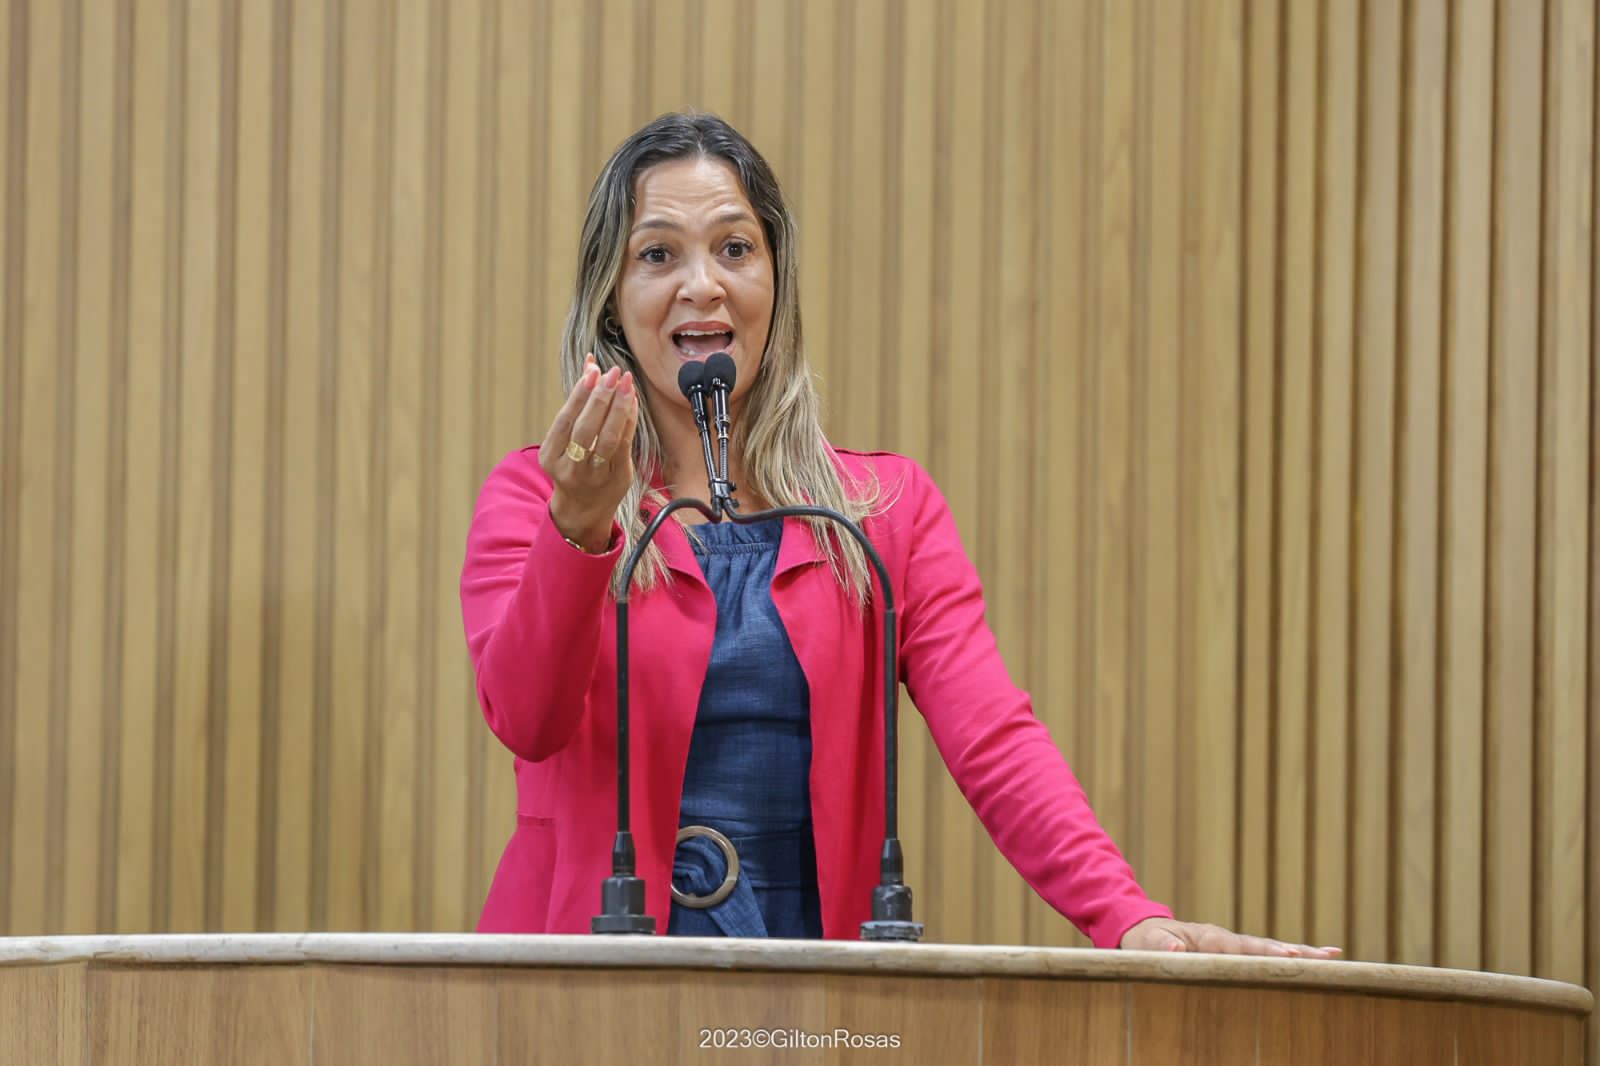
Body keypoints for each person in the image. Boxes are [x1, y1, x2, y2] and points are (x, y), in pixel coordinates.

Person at [460, 111, 1339, 957]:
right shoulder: (535, 496)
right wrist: (579, 527)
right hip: (588, 972)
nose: (704, 284)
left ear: (776, 281)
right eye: (658, 254)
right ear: (612, 300)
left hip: (813, 977)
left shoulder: (883, 511)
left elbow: (993, 738)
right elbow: (527, 720)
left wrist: (1126, 915)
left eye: (736, 248)